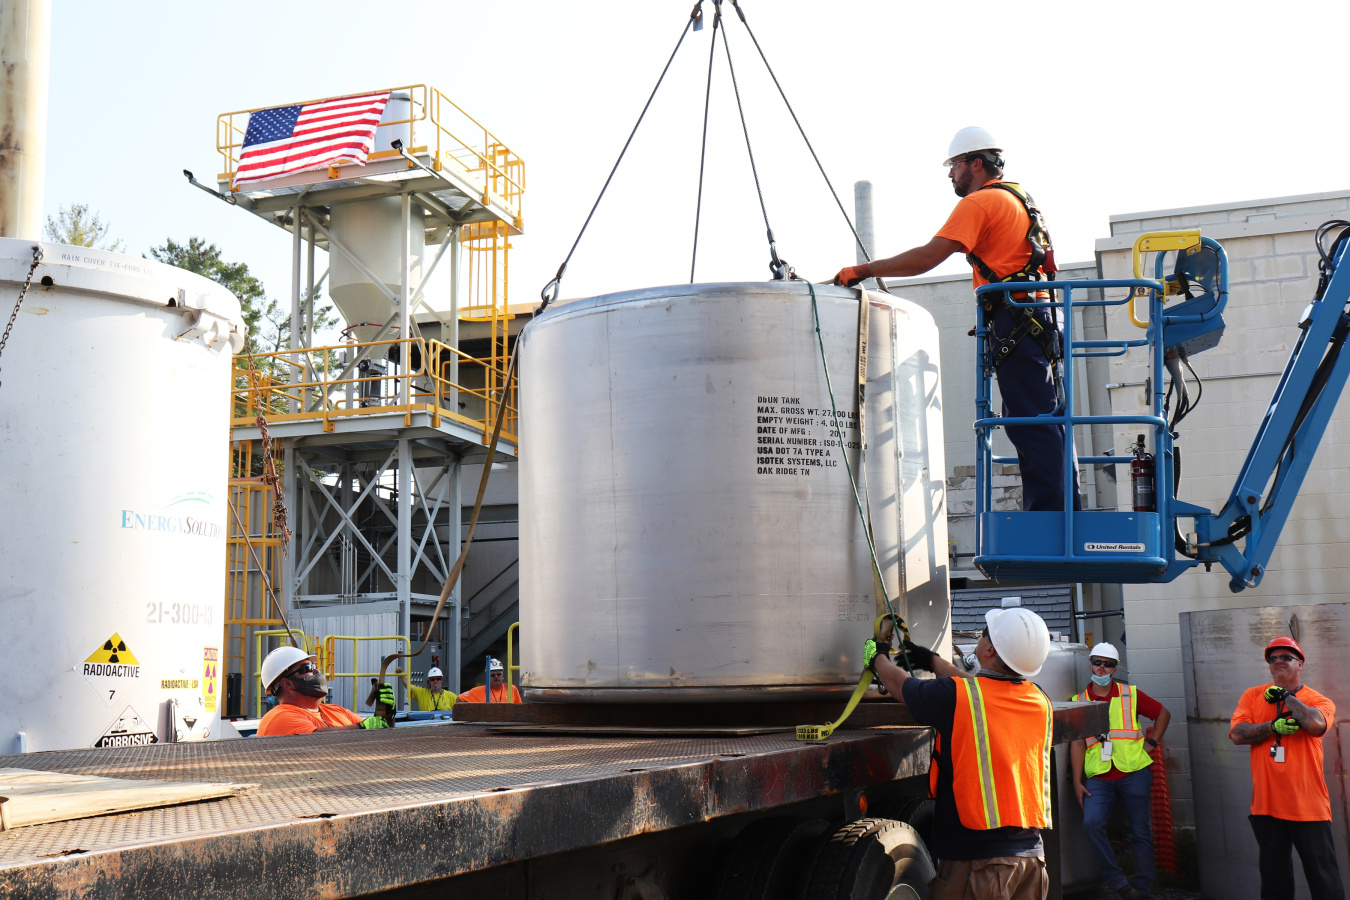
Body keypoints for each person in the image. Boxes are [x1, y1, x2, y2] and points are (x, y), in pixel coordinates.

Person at [833, 126, 1080, 511]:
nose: (951, 174)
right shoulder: (1019, 199)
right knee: (1044, 417)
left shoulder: (980, 203)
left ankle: (1051, 518)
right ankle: (1063, 510)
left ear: (975, 164)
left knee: (1031, 422)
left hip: (1018, 319)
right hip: (1041, 317)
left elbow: (928, 257)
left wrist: (861, 270)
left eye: (955, 166)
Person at [867, 605, 1054, 900]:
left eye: (983, 635)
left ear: (990, 649)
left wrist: (876, 657)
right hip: (1031, 862)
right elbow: (974, 687)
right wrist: (931, 660)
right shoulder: (1039, 699)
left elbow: (901, 686)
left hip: (979, 865)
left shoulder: (957, 697)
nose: (979, 639)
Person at [1229, 636, 1343, 900]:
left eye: (1286, 657)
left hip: (1308, 808)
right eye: (1273, 658)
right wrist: (1271, 726)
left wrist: (1286, 696)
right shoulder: (1252, 696)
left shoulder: (1319, 700)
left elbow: (1315, 725)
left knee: (1325, 881)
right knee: (1274, 882)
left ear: (1300, 663)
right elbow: (1236, 734)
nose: (1278, 662)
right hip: (1267, 807)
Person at [1069, 643, 1171, 900]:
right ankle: (1118, 883)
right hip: (1099, 778)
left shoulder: (1130, 694)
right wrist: (1077, 782)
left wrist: (1151, 744)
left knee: (1140, 830)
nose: (1102, 668)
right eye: (1098, 662)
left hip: (1134, 772)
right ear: (1090, 664)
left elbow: (1163, 714)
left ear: (1115, 669)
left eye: (1108, 664)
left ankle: (1143, 890)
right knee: (1092, 825)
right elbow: (1077, 743)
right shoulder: (1078, 702)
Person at [255, 646, 395, 737]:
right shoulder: (279, 717)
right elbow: (318, 740)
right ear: (287, 683)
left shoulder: (337, 711)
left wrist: (386, 715)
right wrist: (362, 728)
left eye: (314, 666)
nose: (316, 671)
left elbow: (377, 738)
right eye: (307, 668)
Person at [457, 657, 522, 703]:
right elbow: (459, 699)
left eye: (498, 674)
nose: (496, 677)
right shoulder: (478, 691)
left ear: (503, 676)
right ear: (487, 677)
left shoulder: (511, 689)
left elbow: (519, 707)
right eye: (493, 675)